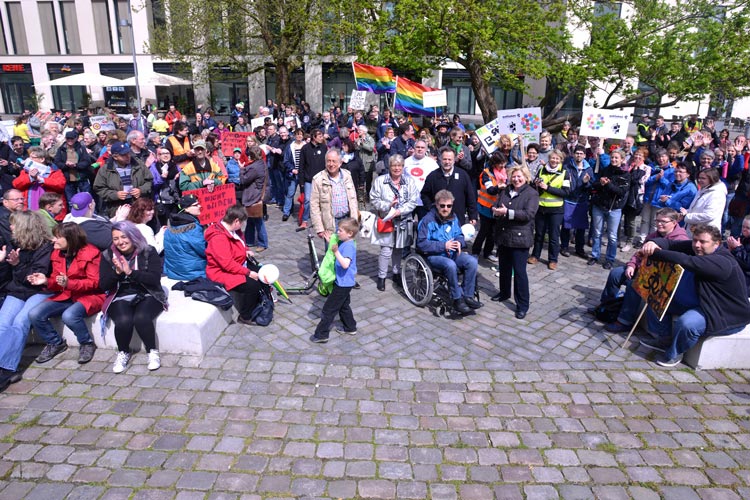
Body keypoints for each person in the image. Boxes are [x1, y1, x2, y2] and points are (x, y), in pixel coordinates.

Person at [639, 224, 750, 366]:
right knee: (657, 297)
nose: (697, 245)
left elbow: (686, 261)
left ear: (717, 243)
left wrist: (653, 253)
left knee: (687, 323)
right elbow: (671, 244)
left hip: (725, 313)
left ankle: (675, 353)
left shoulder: (722, 261)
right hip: (705, 299)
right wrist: (652, 242)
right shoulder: (700, 248)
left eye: (703, 242)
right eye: (695, 240)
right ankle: (663, 339)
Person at [27, 223, 104, 365]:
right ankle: (55, 343)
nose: (53, 240)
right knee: (35, 314)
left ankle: (86, 343)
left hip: (89, 296)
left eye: (57, 237)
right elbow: (58, 281)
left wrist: (69, 283)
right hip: (66, 295)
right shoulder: (57, 253)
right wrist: (46, 281)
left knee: (69, 315)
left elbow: (95, 283)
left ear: (70, 239)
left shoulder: (91, 253)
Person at [602, 208, 689, 333]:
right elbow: (639, 254)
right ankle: (606, 307)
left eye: (663, 221)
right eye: (657, 220)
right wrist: (632, 265)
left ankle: (624, 321)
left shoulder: (681, 240)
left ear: (674, 222)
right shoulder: (653, 235)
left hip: (661, 279)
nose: (659, 224)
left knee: (635, 284)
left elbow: (675, 268)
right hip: (644, 270)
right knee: (616, 273)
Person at [100, 221, 166, 374]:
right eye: (115, 238)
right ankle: (123, 352)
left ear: (133, 236)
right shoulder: (107, 255)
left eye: (124, 237)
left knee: (141, 317)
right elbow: (103, 285)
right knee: (124, 320)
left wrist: (130, 272)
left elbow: (155, 279)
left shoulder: (148, 251)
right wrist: (117, 273)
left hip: (148, 292)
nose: (120, 242)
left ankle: (152, 351)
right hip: (120, 295)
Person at [0, 211, 53, 392]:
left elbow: (33, 278)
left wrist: (17, 266)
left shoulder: (46, 248)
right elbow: (10, 277)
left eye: (14, 224)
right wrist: (4, 263)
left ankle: (6, 369)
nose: (11, 227)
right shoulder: (14, 245)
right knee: (2, 323)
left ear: (25, 227)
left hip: (39, 291)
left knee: (20, 322)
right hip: (17, 290)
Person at [416, 190, 481, 316]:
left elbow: (459, 234)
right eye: (442, 206)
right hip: (433, 256)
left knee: (472, 261)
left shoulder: (454, 217)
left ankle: (467, 296)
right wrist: (443, 245)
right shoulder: (427, 220)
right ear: (436, 204)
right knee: (450, 265)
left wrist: (459, 242)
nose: (446, 209)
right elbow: (421, 243)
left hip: (451, 253)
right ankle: (457, 298)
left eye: (449, 206)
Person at [491, 165, 539, 319]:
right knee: (504, 268)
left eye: (519, 176)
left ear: (525, 177)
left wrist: (508, 212)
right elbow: (499, 205)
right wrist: (496, 210)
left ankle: (522, 305)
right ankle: (504, 293)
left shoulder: (531, 193)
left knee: (519, 273)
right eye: (514, 176)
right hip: (504, 235)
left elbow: (528, 214)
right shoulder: (505, 190)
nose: (516, 179)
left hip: (520, 238)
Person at [205, 205, 262, 325]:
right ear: (236, 221)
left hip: (238, 263)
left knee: (261, 273)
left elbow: (240, 241)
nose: (242, 226)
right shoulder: (218, 238)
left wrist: (245, 249)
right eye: (241, 223)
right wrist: (248, 273)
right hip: (221, 272)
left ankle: (258, 302)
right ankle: (245, 315)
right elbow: (226, 264)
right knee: (252, 285)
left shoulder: (233, 228)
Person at [369, 155, 420, 291]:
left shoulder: (409, 181)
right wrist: (387, 205)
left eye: (399, 166)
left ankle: (397, 274)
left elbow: (413, 201)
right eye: (394, 166)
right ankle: (381, 277)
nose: (397, 168)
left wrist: (400, 211)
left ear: (403, 167)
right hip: (387, 220)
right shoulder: (380, 181)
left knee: (398, 249)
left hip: (403, 221)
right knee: (386, 250)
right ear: (389, 167)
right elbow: (373, 199)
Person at [309, 217, 359, 343]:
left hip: (343, 284)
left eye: (340, 231)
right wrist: (330, 240)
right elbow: (337, 243)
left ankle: (321, 335)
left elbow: (345, 264)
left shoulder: (348, 247)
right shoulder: (346, 242)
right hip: (343, 282)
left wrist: (336, 252)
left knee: (328, 309)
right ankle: (350, 327)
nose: (338, 232)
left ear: (350, 233)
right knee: (343, 306)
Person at [528, 149, 572, 270]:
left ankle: (553, 259)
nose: (554, 160)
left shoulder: (565, 173)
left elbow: (565, 192)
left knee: (553, 236)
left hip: (556, 210)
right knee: (539, 234)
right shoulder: (541, 169)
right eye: (552, 158)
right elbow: (535, 189)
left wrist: (547, 188)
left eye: (557, 158)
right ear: (549, 158)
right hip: (541, 208)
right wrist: (537, 185)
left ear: (560, 160)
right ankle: (535, 255)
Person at [588, 149, 631, 268]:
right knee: (597, 233)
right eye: (612, 157)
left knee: (612, 236)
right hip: (599, 205)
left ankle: (610, 259)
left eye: (617, 158)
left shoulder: (626, 174)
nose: (614, 160)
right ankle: (595, 255)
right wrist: (600, 183)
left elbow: (621, 192)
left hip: (614, 208)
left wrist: (608, 184)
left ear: (622, 159)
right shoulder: (605, 170)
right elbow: (594, 185)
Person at [310, 149, 359, 243]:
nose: (331, 164)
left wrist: (355, 220)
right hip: (330, 223)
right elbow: (314, 205)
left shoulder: (347, 175)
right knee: (331, 254)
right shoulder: (318, 179)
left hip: (347, 220)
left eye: (334, 161)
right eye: (328, 161)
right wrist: (319, 228)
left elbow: (353, 199)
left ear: (340, 163)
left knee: (347, 253)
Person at [93, 141, 153, 217]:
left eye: (128, 153)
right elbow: (99, 188)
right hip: (117, 208)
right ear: (115, 157)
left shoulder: (139, 164)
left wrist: (141, 190)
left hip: (138, 206)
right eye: (123, 155)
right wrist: (115, 195)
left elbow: (149, 181)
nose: (128, 156)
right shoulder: (105, 170)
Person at [420, 147, 477, 225]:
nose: (447, 162)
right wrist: (431, 208)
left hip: (458, 219)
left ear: (454, 160)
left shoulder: (463, 175)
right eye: (445, 159)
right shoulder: (433, 176)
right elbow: (424, 194)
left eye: (449, 159)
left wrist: (473, 215)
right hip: (437, 220)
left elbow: (470, 196)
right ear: (440, 160)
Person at [472, 151, 508, 260]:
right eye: (500, 163)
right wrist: (499, 187)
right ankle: (475, 251)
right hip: (485, 207)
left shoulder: (504, 172)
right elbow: (490, 190)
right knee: (484, 230)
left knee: (493, 232)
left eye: (504, 163)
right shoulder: (486, 174)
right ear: (494, 163)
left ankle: (487, 253)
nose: (502, 166)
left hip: (497, 208)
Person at [13, 146, 67, 217]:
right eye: (29, 157)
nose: (29, 160)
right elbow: (16, 184)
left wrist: (42, 179)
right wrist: (30, 178)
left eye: (33, 158)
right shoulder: (25, 172)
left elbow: (61, 184)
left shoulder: (54, 172)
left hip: (51, 213)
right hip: (30, 212)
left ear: (42, 159)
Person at [560, 146, 593, 258]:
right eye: (577, 153)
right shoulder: (567, 167)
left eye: (581, 153)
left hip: (581, 201)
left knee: (581, 227)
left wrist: (585, 183)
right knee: (566, 226)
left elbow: (591, 186)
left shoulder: (588, 169)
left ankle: (579, 248)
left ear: (584, 155)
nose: (579, 155)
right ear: (573, 154)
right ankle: (564, 247)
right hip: (569, 199)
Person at [163, 194, 206, 281]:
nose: (200, 206)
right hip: (192, 274)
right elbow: (205, 250)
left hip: (172, 271)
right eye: (196, 205)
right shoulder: (193, 228)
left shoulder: (170, 224)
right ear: (186, 209)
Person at [681, 167, 727, 233]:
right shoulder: (703, 189)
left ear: (712, 179)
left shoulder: (716, 194)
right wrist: (686, 212)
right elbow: (697, 208)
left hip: (707, 232)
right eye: (699, 178)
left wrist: (687, 216)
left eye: (703, 178)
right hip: (695, 230)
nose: (699, 180)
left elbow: (709, 215)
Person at [241, 146, 269, 252]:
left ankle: (263, 243)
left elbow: (244, 180)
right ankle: (249, 240)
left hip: (254, 195)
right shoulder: (262, 163)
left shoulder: (254, 167)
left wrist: (242, 169)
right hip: (256, 194)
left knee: (258, 220)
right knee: (251, 218)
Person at [299, 129, 328, 230]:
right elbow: (301, 166)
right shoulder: (305, 149)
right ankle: (305, 220)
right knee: (307, 200)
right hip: (309, 180)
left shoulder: (324, 148)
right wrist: (301, 182)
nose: (322, 138)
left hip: (321, 179)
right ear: (314, 137)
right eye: (319, 136)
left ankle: (321, 220)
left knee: (322, 200)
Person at [53, 130, 92, 204]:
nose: (70, 140)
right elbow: (57, 162)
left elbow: (87, 162)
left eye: (72, 138)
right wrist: (65, 165)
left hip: (81, 179)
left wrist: (76, 165)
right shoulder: (61, 149)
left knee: (86, 201)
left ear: (76, 138)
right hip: (68, 180)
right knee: (71, 202)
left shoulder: (81, 148)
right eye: (68, 138)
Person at [727, 215, 750, 295]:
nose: (744, 229)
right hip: (735, 276)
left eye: (748, 228)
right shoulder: (741, 238)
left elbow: (747, 263)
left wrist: (737, 248)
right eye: (743, 226)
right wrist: (729, 249)